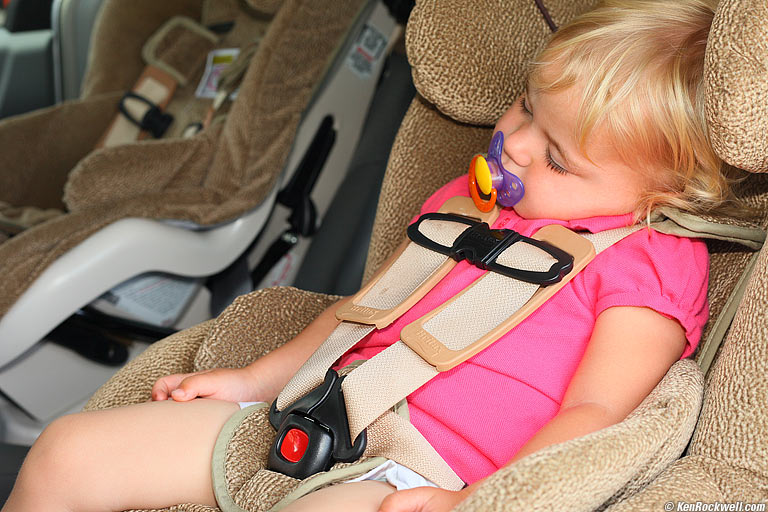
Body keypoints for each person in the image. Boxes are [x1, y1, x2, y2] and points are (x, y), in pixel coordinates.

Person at [2, 0, 746, 510]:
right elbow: (360, 314)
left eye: (556, 157)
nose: (512, 144)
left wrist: (482, 501)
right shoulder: (468, 200)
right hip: (325, 410)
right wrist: (251, 381)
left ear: (663, 194)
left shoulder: (650, 260)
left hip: (427, 472)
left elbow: (596, 412)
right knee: (68, 449)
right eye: (525, 107)